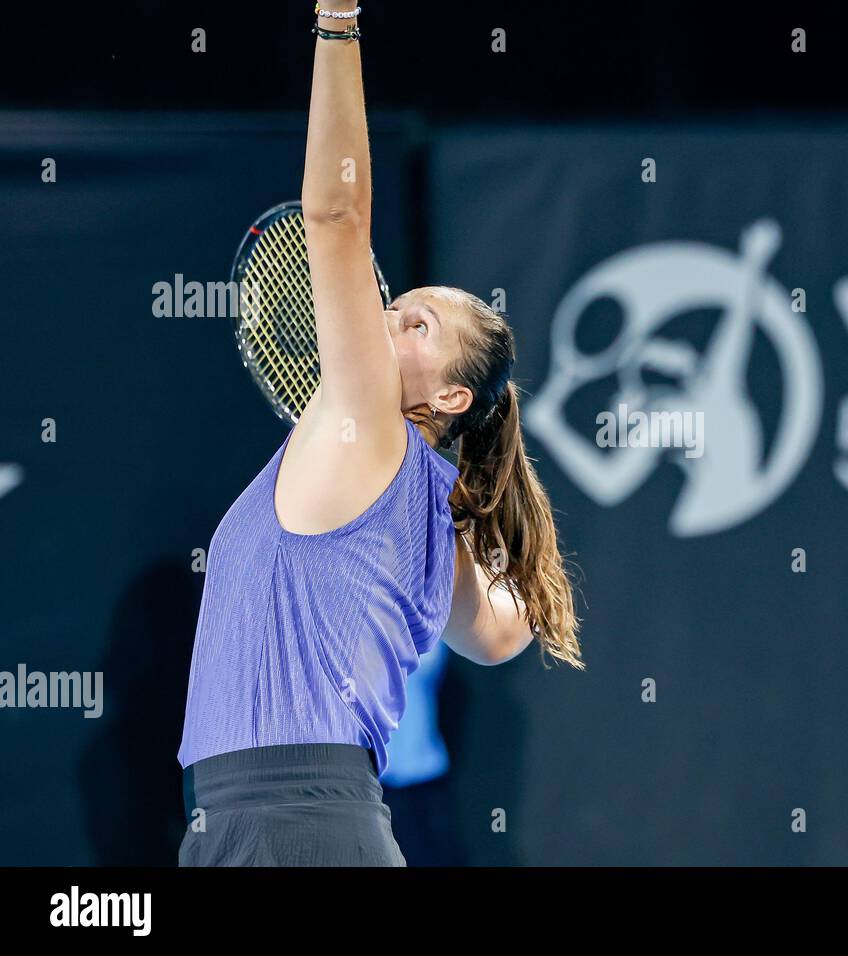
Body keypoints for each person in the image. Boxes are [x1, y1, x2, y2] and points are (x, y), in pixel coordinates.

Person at [176, 1, 583, 866]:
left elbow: (335, 218)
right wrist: (471, 527)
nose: (387, 320)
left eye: (417, 326)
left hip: (295, 826)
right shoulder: (432, 503)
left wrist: (336, 18)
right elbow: (503, 634)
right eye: (393, 310)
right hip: (278, 825)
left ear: (450, 398)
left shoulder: (371, 430)